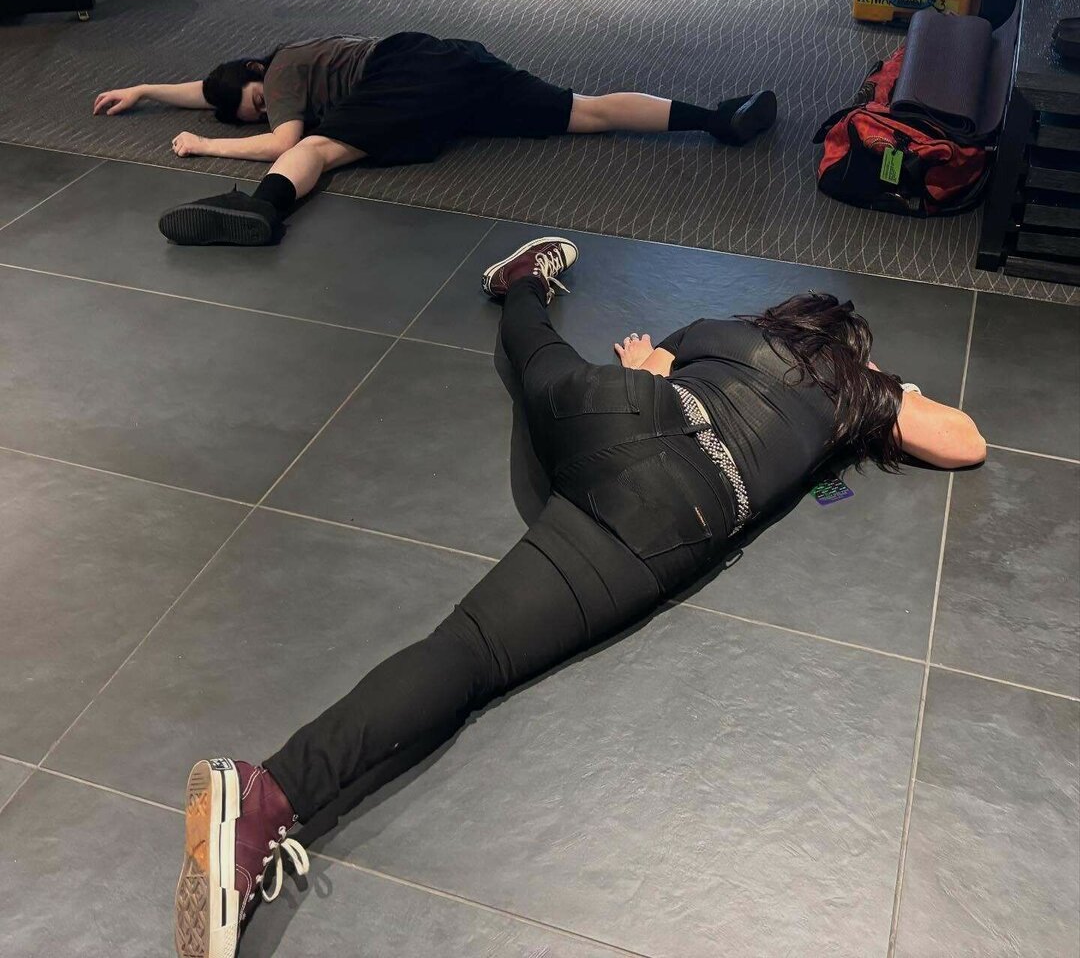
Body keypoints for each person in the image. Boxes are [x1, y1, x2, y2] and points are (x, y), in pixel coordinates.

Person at [172, 237, 986, 958]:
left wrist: (650, 372)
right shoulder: (852, 390)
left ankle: (522, 283)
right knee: (469, 655)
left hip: (623, 412)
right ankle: (268, 791)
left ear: (783, 317)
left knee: (538, 361)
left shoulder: (722, 331)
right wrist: (882, 387)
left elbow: (653, 366)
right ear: (849, 351)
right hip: (673, 511)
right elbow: (966, 442)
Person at [91, 33, 778, 247]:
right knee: (586, 111)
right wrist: (146, 90)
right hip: (454, 70)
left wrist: (206, 146)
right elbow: (211, 90)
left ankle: (262, 210)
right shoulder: (260, 75)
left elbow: (285, 141)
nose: (269, 108)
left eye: (259, 100)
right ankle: (716, 118)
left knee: (316, 150)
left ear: (256, 69)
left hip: (404, 71)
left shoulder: (285, 67)